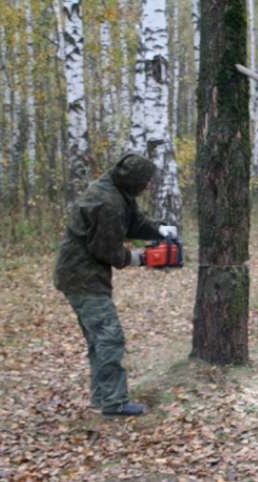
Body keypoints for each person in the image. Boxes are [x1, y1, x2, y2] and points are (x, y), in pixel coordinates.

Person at [54, 153, 177, 417]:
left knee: (99, 340)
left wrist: (160, 231)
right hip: (83, 277)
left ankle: (102, 397)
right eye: (143, 183)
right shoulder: (107, 201)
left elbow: (133, 222)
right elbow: (106, 250)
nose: (146, 188)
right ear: (132, 181)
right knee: (109, 338)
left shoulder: (116, 189)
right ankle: (114, 403)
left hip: (82, 274)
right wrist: (142, 258)